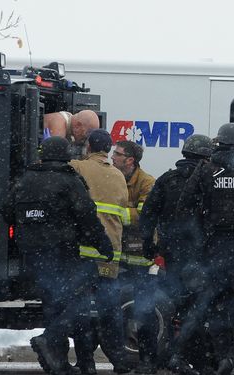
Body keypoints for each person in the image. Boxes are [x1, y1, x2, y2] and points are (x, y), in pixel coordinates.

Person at [1, 136, 115, 375]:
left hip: (32, 255)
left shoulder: (24, 180)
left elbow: (6, 211)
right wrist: (104, 246)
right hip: (63, 253)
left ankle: (60, 364)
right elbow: (87, 218)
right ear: (66, 155)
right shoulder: (70, 181)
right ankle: (55, 343)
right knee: (77, 304)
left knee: (52, 305)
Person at [177, 123, 234, 375]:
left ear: (219, 143)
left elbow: (185, 206)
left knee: (215, 306)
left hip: (214, 249)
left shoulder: (206, 170)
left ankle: (220, 358)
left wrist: (201, 234)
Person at [140, 134, 214, 375]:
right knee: (197, 309)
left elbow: (148, 214)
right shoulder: (209, 178)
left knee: (169, 307)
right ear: (207, 155)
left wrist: (148, 244)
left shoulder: (167, 179)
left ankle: (159, 358)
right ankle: (191, 358)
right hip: (201, 256)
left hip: (171, 255)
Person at [70, 129, 131, 375]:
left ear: (87, 147)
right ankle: (120, 362)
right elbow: (124, 215)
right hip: (110, 256)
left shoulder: (78, 167)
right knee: (110, 312)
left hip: (85, 253)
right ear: (109, 149)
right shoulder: (118, 175)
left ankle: (86, 363)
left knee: (81, 311)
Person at [111, 140, 158, 374]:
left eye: (117, 154)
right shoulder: (113, 177)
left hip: (141, 258)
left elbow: (143, 215)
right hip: (119, 255)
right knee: (109, 309)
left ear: (130, 160)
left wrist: (115, 213)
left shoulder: (147, 182)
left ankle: (148, 362)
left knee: (144, 310)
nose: (112, 157)